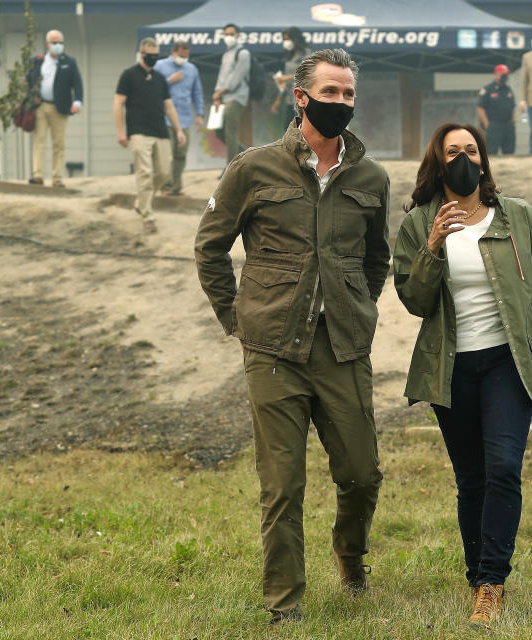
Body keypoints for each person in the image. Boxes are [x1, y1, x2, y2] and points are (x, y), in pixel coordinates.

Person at [194, 48, 390, 626]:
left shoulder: (371, 177)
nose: (342, 103)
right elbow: (210, 248)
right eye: (330, 93)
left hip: (342, 349)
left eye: (349, 94)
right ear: (300, 97)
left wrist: (355, 308)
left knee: (361, 472)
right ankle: (285, 605)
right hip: (273, 350)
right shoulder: (255, 168)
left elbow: (375, 259)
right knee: (282, 485)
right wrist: (237, 320)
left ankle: (350, 560)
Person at [392, 122, 532, 628]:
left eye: (471, 150)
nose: (463, 159)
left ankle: (492, 583)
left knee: (504, 467)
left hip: (508, 362)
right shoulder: (418, 223)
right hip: (451, 366)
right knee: (472, 479)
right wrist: (433, 246)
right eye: (452, 152)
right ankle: (476, 578)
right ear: (437, 163)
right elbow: (414, 301)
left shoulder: (519, 218)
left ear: (483, 160)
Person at [114, 38, 186, 233]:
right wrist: (121, 131)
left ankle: (140, 201)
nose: (154, 58)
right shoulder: (128, 75)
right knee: (144, 172)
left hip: (161, 131)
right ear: (142, 54)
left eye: (157, 55)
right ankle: (148, 215)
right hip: (138, 132)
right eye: (151, 55)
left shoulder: (160, 78)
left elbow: (168, 106)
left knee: (163, 172)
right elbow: (118, 103)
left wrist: (178, 129)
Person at [26, 29, 83, 187]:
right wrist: (32, 97)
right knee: (40, 140)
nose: (57, 45)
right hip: (41, 106)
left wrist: (77, 101)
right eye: (54, 42)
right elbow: (28, 81)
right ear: (47, 44)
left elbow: (77, 84)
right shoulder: (37, 61)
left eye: (60, 43)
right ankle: (38, 175)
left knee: (59, 143)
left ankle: (57, 177)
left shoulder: (69, 62)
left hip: (61, 107)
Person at [154, 41, 204, 196]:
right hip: (164, 118)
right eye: (181, 55)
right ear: (173, 52)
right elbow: (152, 88)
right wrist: (170, 81)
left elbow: (197, 93)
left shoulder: (192, 69)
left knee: (180, 154)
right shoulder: (160, 66)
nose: (183, 58)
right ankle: (165, 186)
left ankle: (176, 187)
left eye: (186, 56)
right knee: (166, 154)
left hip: (184, 119)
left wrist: (200, 114)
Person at [213, 23, 251, 163]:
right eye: (226, 34)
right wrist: (217, 95)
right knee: (219, 132)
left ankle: (229, 168)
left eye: (231, 34)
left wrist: (220, 92)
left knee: (230, 132)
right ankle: (248, 155)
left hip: (236, 97)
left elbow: (237, 78)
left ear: (238, 35)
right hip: (223, 97)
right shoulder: (226, 54)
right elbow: (221, 77)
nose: (229, 37)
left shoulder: (243, 53)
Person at [271, 27, 311, 127]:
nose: (286, 42)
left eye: (288, 39)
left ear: (295, 39)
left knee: (302, 130)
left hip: (304, 98)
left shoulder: (306, 53)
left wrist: (286, 77)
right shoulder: (290, 55)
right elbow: (285, 84)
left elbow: (308, 74)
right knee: (289, 129)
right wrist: (278, 100)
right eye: (284, 40)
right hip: (290, 98)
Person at [477, 64, 516, 155]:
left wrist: (513, 122)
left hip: (508, 125)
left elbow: (513, 106)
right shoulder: (487, 89)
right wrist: (486, 123)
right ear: (496, 74)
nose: (505, 77)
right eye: (503, 74)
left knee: (509, 152)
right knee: (492, 152)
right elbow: (480, 107)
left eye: (506, 75)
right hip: (494, 125)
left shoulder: (508, 89)